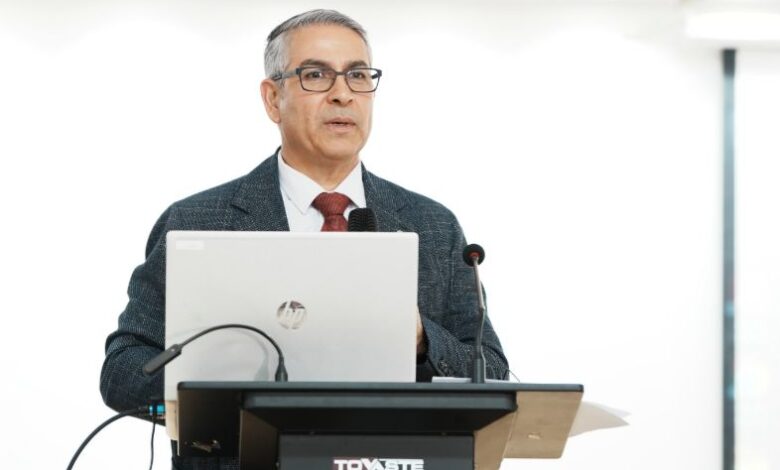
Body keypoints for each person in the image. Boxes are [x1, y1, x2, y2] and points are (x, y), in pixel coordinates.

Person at [100, 9, 508, 470]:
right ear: (273, 98)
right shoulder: (196, 221)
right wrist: (221, 386)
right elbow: (122, 372)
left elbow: (493, 372)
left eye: (358, 76)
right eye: (316, 75)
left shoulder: (432, 225)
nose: (342, 94)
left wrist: (420, 338)